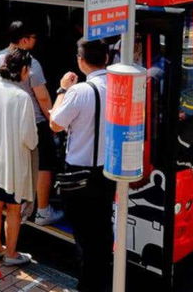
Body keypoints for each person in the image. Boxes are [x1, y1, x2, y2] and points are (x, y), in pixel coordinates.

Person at [49, 39, 114, 292]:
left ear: (80, 60)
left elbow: (55, 123)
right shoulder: (119, 85)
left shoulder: (80, 91)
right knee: (102, 231)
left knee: (85, 238)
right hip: (107, 171)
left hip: (79, 176)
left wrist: (62, 90)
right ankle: (102, 282)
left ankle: (89, 286)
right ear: (106, 59)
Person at [0, 21, 62, 226]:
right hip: (35, 122)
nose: (35, 42)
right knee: (44, 165)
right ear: (24, 40)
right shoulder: (32, 63)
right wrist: (55, 121)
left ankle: (21, 203)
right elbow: (42, 98)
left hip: (8, 121)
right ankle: (42, 210)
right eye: (33, 38)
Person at [0, 48, 38, 266]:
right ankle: (11, 254)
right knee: (13, 208)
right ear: (23, 70)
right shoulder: (23, 97)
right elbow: (30, 139)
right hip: (15, 163)